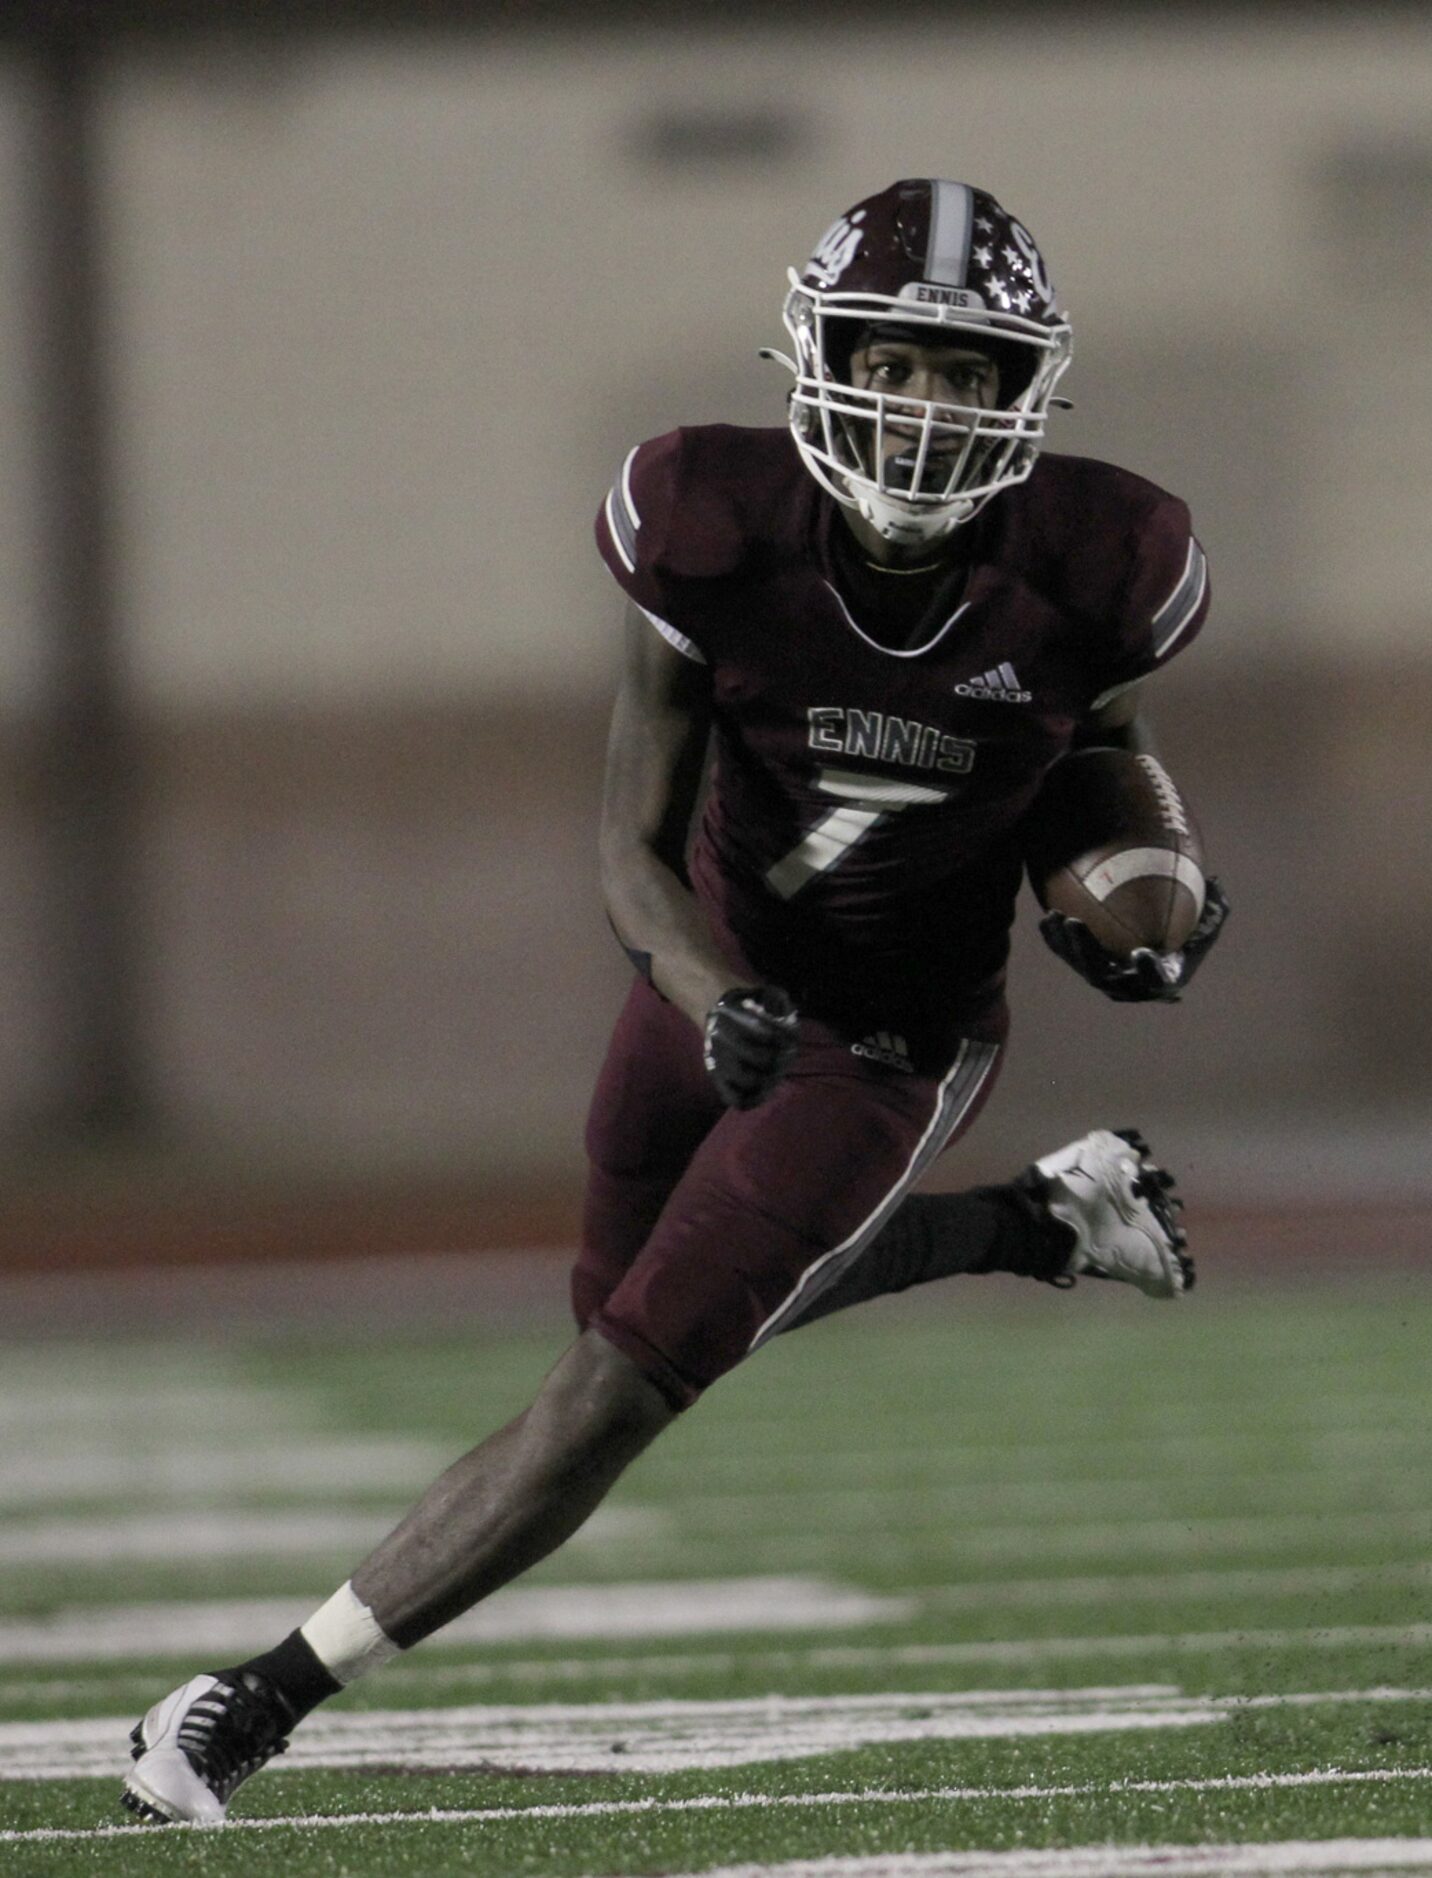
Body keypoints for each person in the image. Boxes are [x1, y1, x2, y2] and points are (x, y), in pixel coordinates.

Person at [120, 178, 1227, 1826]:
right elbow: (628, 846)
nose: (927, 409)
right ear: (826, 356)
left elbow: (1105, 751)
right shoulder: (704, 518)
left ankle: (245, 1702)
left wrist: (1159, 896)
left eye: (966, 373)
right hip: (710, 976)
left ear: (1025, 393)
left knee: (619, 1387)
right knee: (623, 1312)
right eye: (898, 364)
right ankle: (1043, 1224)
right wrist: (708, 990)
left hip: (889, 1045)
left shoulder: (1104, 560)